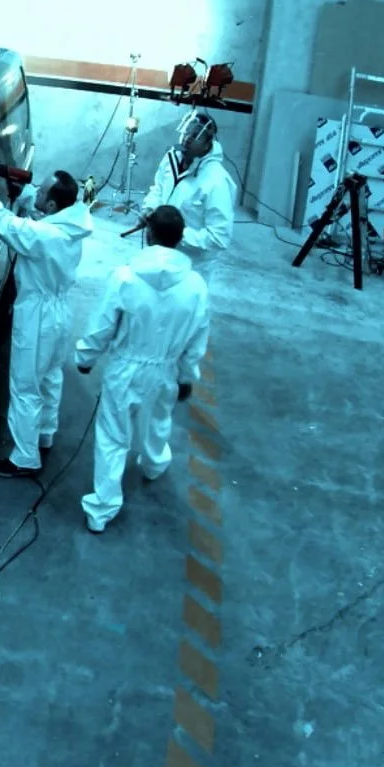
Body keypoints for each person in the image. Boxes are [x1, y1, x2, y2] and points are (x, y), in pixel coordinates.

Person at [74, 205, 211, 534]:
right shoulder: (196, 286)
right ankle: (153, 463)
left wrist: (85, 357)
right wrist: (187, 375)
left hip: (126, 367)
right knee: (158, 420)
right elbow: (197, 335)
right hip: (165, 368)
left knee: (113, 434)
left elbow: (103, 325)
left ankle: (103, 507)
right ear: (180, 240)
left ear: (148, 234)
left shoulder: (125, 277)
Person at [0, 154, 95, 477]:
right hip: (60, 311)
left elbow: (1, 221)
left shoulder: (43, 236)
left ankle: (24, 457)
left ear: (51, 206)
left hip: (37, 315)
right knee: (50, 375)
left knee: (24, 385)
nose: (37, 190)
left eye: (43, 191)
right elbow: (39, 215)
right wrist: (22, 193)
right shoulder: (72, 224)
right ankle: (45, 433)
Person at [140, 110, 237, 278]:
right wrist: (150, 209)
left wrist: (174, 233)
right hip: (159, 253)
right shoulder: (172, 157)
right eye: (186, 132)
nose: (187, 139)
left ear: (208, 145)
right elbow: (159, 188)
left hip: (190, 267)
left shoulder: (217, 181)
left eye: (195, 136)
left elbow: (219, 237)